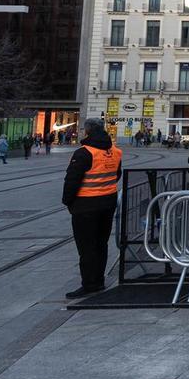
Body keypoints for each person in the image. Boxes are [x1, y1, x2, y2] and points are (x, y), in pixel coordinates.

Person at [62, 118, 123, 299]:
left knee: (86, 247)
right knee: (101, 243)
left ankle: (89, 284)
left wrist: (68, 202)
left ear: (87, 131)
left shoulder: (84, 153)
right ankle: (99, 280)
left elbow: (72, 180)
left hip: (86, 205)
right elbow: (116, 174)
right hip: (108, 203)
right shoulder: (115, 152)